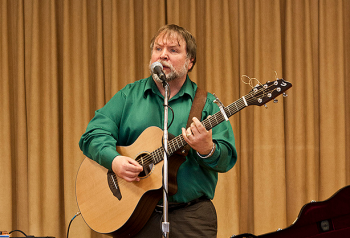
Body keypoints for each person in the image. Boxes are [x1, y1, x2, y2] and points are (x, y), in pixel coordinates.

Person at [79, 24, 237, 237]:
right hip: (134, 215)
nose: (163, 55)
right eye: (158, 49)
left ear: (190, 62)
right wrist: (114, 161)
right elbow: (92, 135)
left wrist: (207, 149)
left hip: (191, 216)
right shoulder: (129, 96)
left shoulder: (207, 103)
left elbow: (227, 159)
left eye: (173, 50)